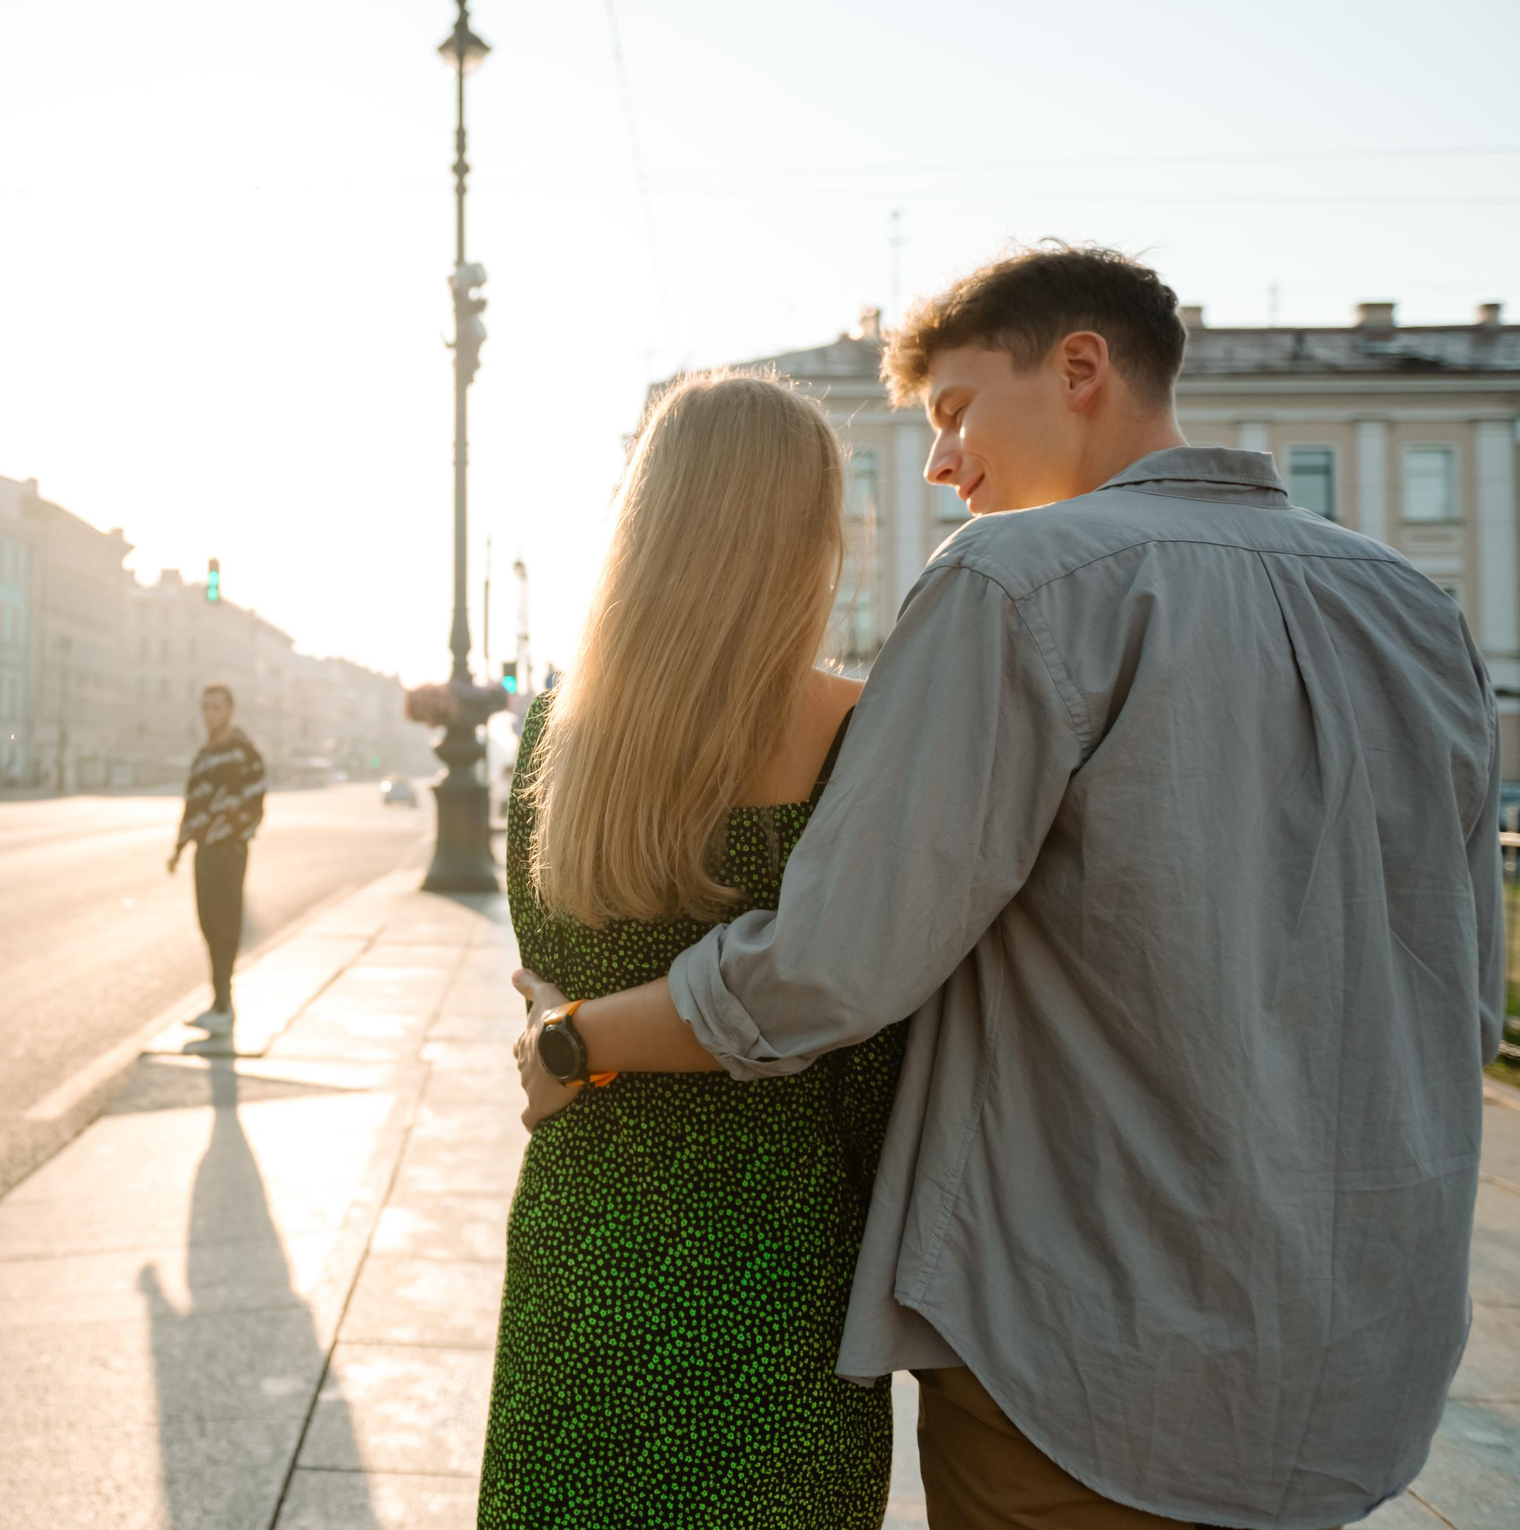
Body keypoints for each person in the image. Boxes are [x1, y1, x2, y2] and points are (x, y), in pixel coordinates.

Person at [514, 245, 1502, 1529]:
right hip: (1349, 1355)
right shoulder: (1413, 610)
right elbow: (1461, 986)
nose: (939, 463)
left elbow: (831, 967)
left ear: (1080, 366)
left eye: (955, 410)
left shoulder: (1012, 581)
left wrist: (573, 1035)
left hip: (1080, 1339)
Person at [478, 370, 897, 1527]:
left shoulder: (554, 738)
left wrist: (576, 1039)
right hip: (783, 1251)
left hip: (586, 1227)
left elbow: (544, 973)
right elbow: (867, 1020)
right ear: (809, 533)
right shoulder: (863, 731)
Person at [168, 682, 266, 1032]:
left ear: (230, 711)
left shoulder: (243, 753)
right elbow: (192, 803)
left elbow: (256, 799)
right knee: (209, 923)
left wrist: (237, 832)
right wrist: (179, 847)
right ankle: (219, 1002)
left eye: (216, 708)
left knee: (227, 924)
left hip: (229, 851)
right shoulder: (204, 756)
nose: (210, 715)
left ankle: (224, 1005)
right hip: (204, 852)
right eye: (206, 708)